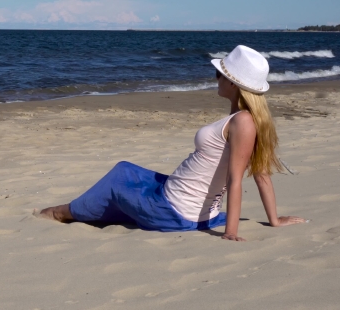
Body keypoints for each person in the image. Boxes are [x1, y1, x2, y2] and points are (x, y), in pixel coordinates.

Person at [37, 45, 306, 241]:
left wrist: (231, 232)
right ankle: (84, 212)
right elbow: (262, 175)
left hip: (173, 211)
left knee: (116, 181)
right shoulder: (245, 118)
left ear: (234, 83)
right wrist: (273, 220)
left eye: (220, 74)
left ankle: (62, 213)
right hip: (184, 203)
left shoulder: (243, 122)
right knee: (127, 169)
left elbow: (238, 179)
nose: (216, 79)